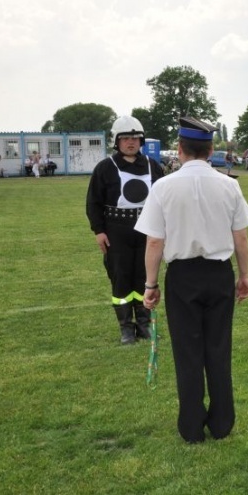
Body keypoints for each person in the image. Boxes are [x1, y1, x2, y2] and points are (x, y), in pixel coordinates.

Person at [136, 117, 248, 444]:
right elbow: (240, 238)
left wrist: (150, 284)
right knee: (218, 348)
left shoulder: (163, 186)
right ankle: (221, 423)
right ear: (212, 150)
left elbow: (155, 242)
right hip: (218, 273)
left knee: (188, 352)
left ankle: (191, 426)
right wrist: (244, 276)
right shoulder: (229, 184)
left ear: (180, 149)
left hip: (182, 277)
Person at [86, 116, 165, 345]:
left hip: (147, 231)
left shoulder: (153, 166)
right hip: (116, 232)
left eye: (135, 138)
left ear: (141, 141)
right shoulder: (105, 168)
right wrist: (99, 231)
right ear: (116, 141)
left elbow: (163, 199)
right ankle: (126, 329)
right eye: (126, 138)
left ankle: (144, 325)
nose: (131, 142)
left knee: (145, 277)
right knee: (121, 279)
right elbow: (93, 202)